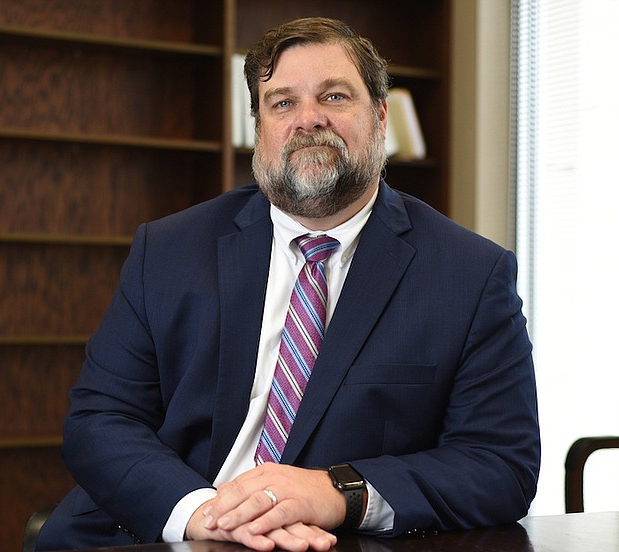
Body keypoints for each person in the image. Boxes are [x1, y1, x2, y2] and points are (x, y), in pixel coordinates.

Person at [36, 16, 540, 552]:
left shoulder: (471, 274)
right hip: (162, 530)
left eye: (335, 96)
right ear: (260, 128)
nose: (308, 120)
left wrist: (339, 491)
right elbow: (100, 418)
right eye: (282, 103)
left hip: (331, 541)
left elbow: (499, 463)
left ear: (380, 117)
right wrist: (202, 513)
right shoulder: (166, 250)